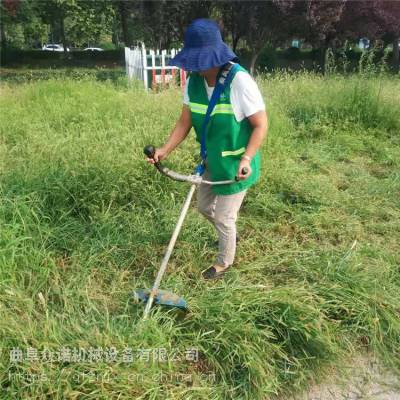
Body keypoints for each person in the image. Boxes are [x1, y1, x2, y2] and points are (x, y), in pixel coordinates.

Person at [146, 18, 268, 280]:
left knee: (224, 216)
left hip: (236, 165)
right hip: (212, 161)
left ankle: (225, 262)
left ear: (216, 54)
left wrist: (246, 158)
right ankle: (230, 235)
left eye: (203, 59)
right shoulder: (193, 83)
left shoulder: (239, 82)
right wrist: (164, 150)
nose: (198, 65)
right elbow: (185, 121)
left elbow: (260, 125)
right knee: (203, 207)